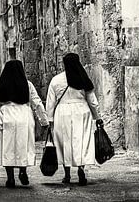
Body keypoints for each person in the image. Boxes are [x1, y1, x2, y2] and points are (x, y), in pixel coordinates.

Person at [0, 60, 49, 188]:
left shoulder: (0, 85)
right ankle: (22, 171)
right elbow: (36, 103)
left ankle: (10, 178)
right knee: (23, 145)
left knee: (7, 147)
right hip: (24, 117)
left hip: (7, 116)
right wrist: (44, 121)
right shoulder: (27, 85)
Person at [46, 53, 103, 186]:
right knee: (82, 141)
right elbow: (92, 101)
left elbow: (50, 102)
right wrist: (98, 117)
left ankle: (67, 175)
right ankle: (81, 168)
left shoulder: (56, 80)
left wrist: (49, 120)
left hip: (62, 112)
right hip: (82, 111)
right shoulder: (83, 78)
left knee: (64, 142)